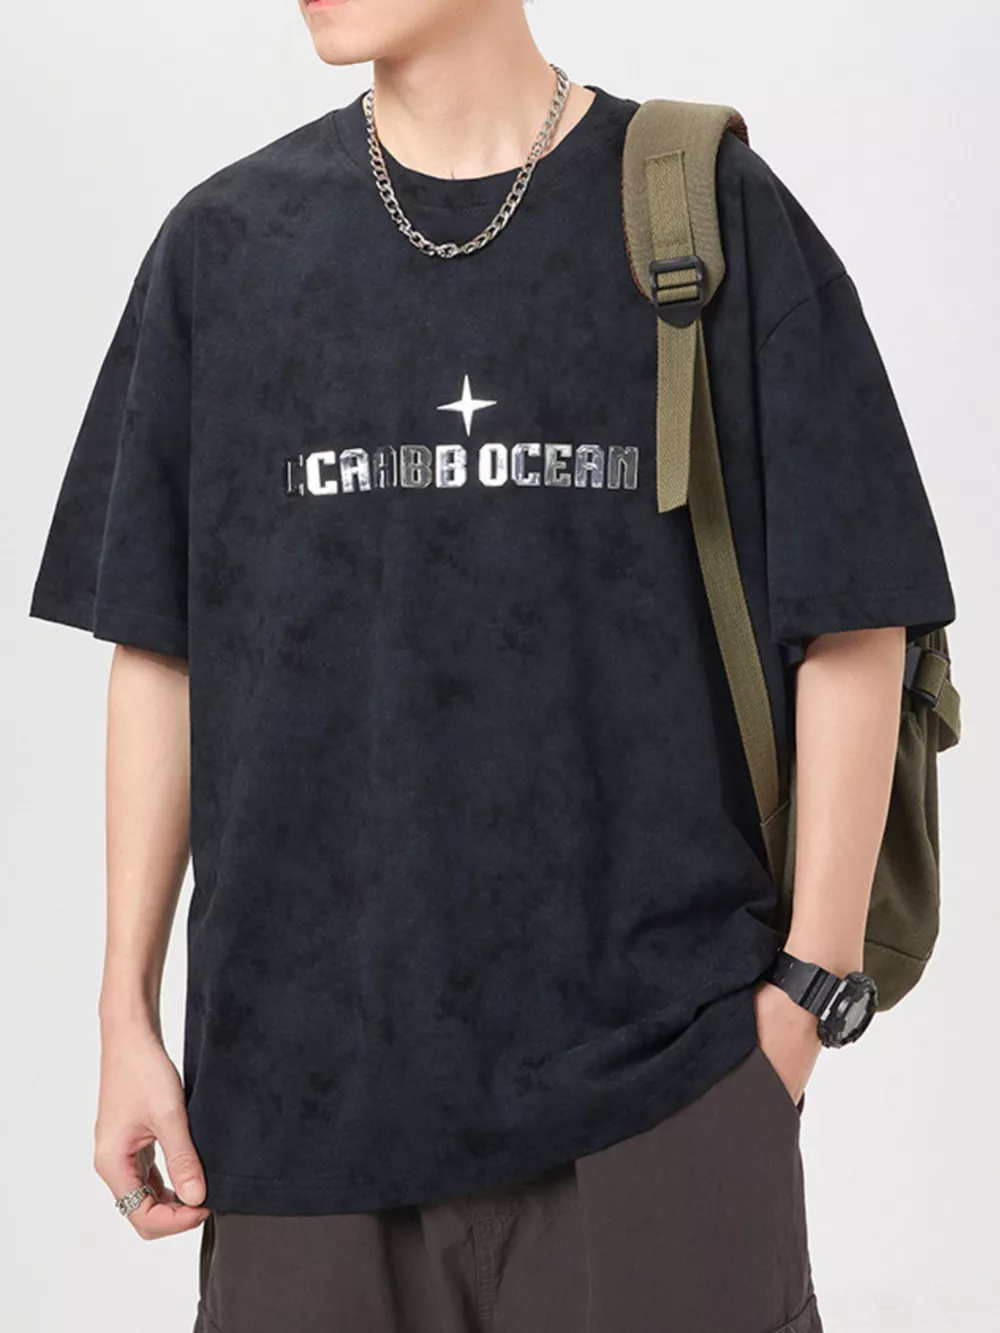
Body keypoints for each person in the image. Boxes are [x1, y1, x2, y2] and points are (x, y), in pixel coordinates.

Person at [29, 2, 957, 1330]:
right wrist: (124, 1012)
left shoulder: (709, 214)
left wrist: (803, 1000)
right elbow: (162, 650)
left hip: (661, 1095)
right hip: (299, 1117)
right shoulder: (225, 247)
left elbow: (858, 615)